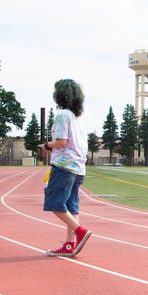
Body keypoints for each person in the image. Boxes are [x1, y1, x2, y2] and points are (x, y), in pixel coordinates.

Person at [42, 79, 91, 257]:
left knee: (55, 204)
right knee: (71, 207)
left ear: (59, 95)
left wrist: (47, 145)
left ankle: (80, 232)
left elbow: (61, 142)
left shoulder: (63, 115)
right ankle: (70, 245)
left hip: (64, 166)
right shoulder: (77, 118)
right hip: (79, 168)